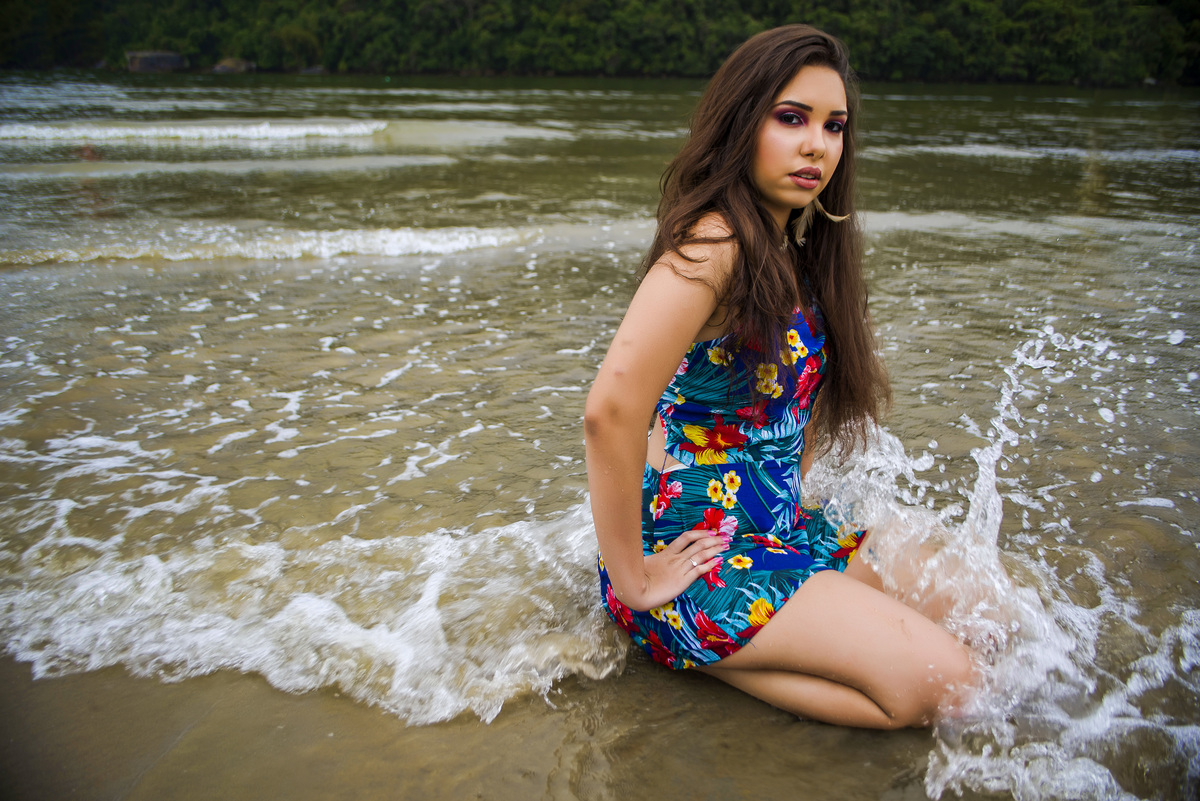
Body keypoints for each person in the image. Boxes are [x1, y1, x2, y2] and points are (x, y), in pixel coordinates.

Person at [584, 24, 975, 729]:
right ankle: (682, 639)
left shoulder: (791, 250)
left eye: (834, 126)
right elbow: (610, 410)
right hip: (700, 558)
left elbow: (768, 414)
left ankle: (730, 638)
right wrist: (634, 577)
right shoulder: (716, 243)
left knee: (986, 612)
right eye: (791, 118)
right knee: (949, 687)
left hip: (781, 531)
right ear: (742, 123)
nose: (817, 144)